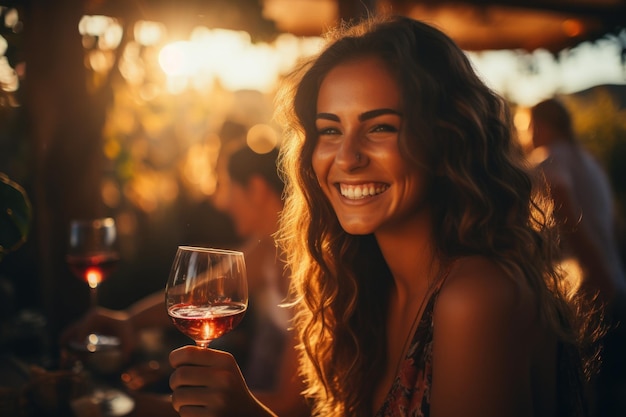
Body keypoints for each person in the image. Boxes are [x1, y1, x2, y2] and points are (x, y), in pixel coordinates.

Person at [168, 15, 594, 417]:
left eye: (380, 127)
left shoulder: (475, 298)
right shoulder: (364, 288)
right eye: (330, 130)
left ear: (446, 140)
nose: (348, 157)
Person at [61, 144, 310, 416]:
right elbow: (194, 296)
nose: (219, 201)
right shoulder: (267, 250)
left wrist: (154, 408)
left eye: (225, 186)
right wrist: (129, 321)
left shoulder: (311, 272)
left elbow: (290, 405)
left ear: (257, 189)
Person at [529, 98, 626, 417]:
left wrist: (597, 276)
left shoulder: (551, 160)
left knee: (586, 389)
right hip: (612, 276)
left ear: (542, 124)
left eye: (530, 125)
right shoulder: (588, 159)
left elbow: (567, 219)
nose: (529, 133)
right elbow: (613, 224)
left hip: (589, 288)